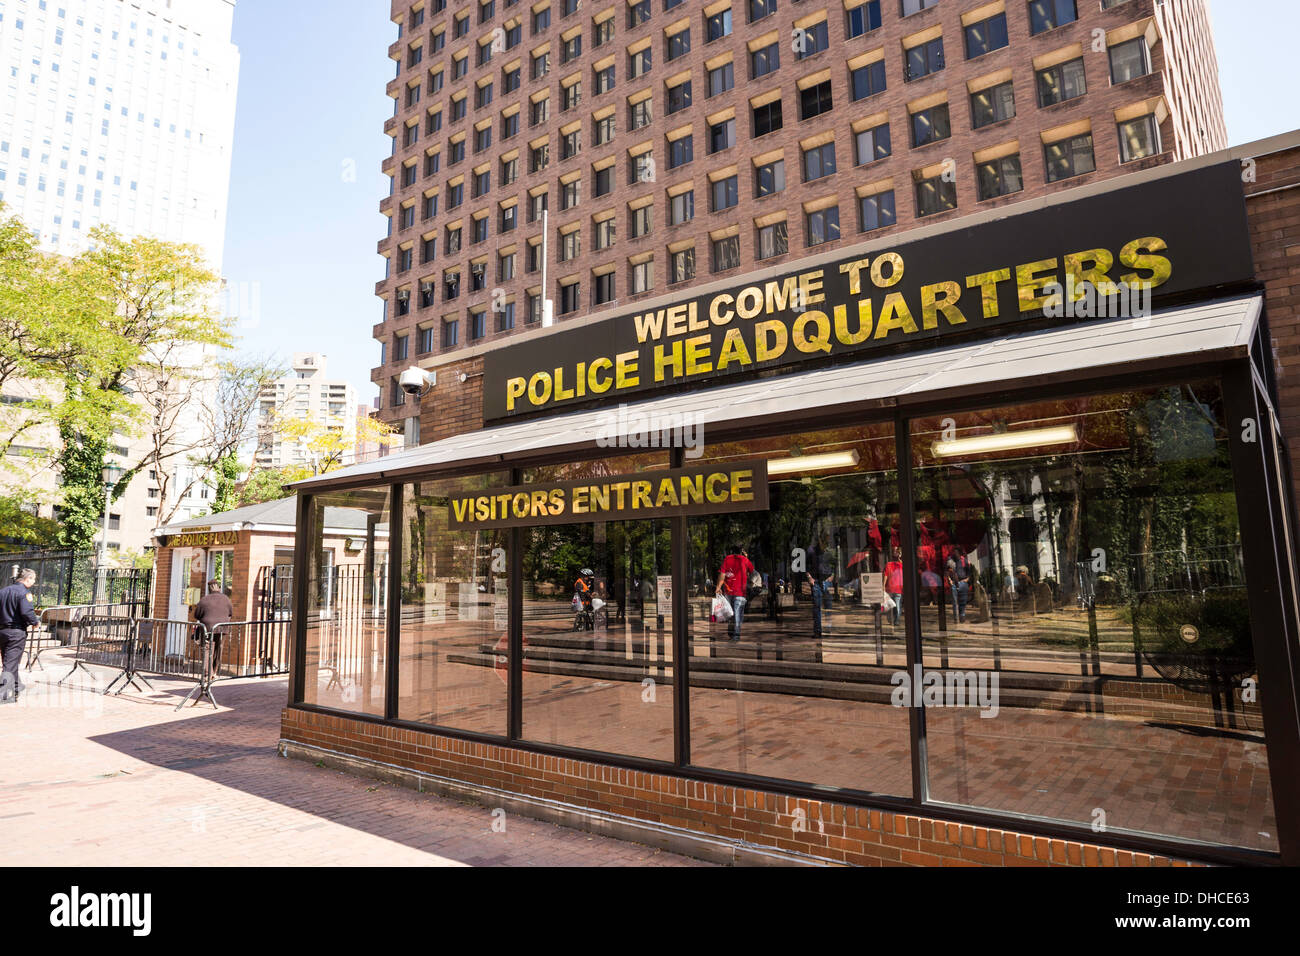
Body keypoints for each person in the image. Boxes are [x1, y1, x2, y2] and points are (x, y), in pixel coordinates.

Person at [0, 569, 40, 703]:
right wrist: (35, 622)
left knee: (9, 661)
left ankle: (17, 686)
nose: (34, 583)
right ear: (28, 579)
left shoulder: (3, 591)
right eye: (33, 580)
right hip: (16, 632)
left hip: (2, 631)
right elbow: (26, 611)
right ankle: (4, 695)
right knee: (10, 663)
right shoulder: (24, 592)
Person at [193, 580, 234, 678]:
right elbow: (231, 613)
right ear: (218, 588)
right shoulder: (226, 599)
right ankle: (214, 672)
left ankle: (209, 673)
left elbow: (197, 615)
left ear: (209, 589)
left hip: (207, 628)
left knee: (207, 650)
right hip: (222, 628)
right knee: (218, 650)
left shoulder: (204, 600)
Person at [716, 545, 755, 641]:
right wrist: (746, 557)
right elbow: (751, 571)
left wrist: (718, 587)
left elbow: (722, 574)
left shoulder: (727, 559)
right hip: (741, 592)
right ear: (741, 551)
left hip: (728, 591)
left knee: (730, 612)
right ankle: (736, 634)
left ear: (732, 551)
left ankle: (732, 629)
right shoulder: (745, 560)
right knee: (738, 613)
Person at [883, 547, 905, 626]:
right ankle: (894, 620)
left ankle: (896, 620)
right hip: (891, 588)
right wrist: (883, 586)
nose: (896, 554)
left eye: (898, 552)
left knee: (896, 605)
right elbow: (885, 575)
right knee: (893, 605)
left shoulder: (901, 564)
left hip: (898, 589)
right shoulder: (889, 564)